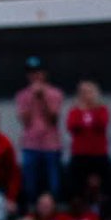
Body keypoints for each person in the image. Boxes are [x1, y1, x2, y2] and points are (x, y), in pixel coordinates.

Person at [16, 56, 64, 203]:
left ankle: (54, 213)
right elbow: (25, 121)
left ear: (44, 74)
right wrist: (32, 98)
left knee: (54, 184)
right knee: (30, 184)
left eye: (38, 72)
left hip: (51, 145)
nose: (35, 76)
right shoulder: (22, 95)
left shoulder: (55, 93)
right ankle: (32, 211)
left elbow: (54, 119)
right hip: (30, 145)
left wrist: (42, 97)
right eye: (31, 73)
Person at [66, 81, 110, 198]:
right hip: (80, 154)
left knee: (103, 186)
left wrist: (90, 113)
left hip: (99, 153)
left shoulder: (102, 109)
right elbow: (72, 126)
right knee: (78, 187)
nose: (86, 95)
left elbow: (101, 124)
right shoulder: (74, 111)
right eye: (83, 92)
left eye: (89, 92)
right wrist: (82, 112)